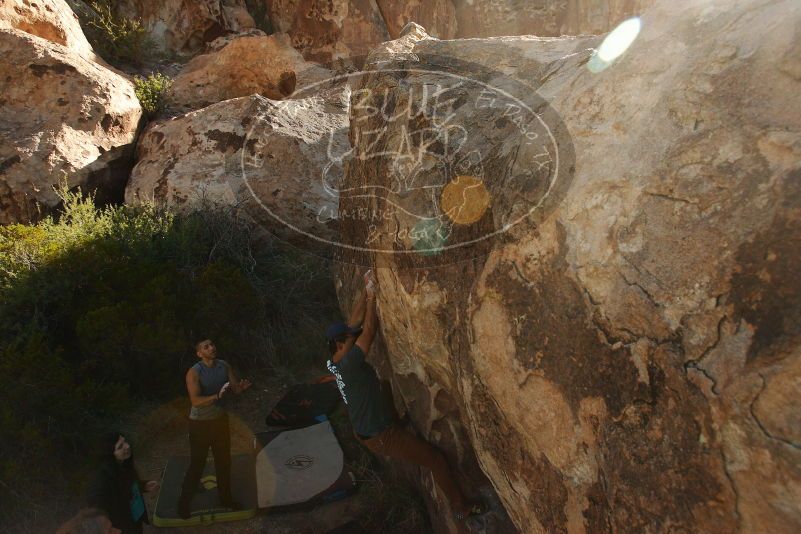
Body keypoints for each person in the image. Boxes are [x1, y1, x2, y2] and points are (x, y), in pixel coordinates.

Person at [326, 271, 484, 521]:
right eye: (349, 340)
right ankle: (460, 508)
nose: (353, 340)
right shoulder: (350, 364)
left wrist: (366, 290)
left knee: (384, 385)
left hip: (368, 427)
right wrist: (374, 297)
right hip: (382, 436)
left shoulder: (333, 361)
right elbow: (368, 330)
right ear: (339, 344)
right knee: (436, 460)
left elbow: (353, 323)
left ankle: (396, 422)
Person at [177, 339, 252, 519]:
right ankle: (183, 504)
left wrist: (240, 388)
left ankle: (225, 500)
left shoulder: (224, 365)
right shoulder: (194, 372)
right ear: (199, 353)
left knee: (224, 462)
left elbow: (234, 389)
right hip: (200, 424)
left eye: (212, 344)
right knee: (197, 464)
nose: (211, 348)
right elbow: (195, 401)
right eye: (206, 347)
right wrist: (216, 396)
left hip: (220, 421)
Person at [85, 433, 159, 534]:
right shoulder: (101, 480)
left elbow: (125, 485)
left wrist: (143, 486)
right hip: (123, 527)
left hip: (135, 519)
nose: (127, 446)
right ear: (109, 454)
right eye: (120, 447)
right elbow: (96, 506)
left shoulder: (123, 464)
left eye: (124, 442)